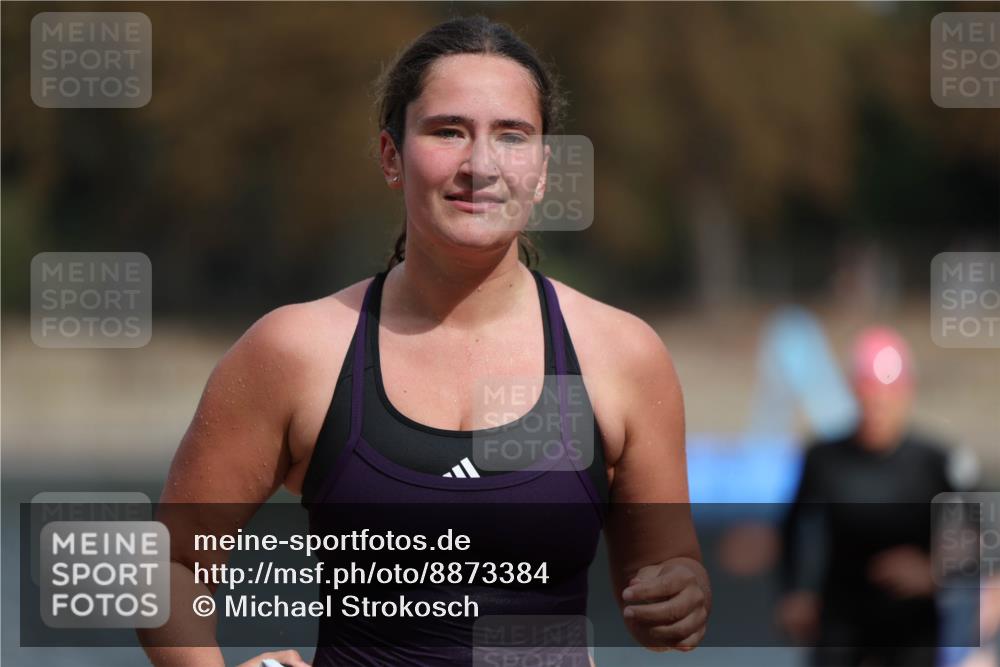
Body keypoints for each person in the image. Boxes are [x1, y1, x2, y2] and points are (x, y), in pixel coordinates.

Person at [140, 15, 709, 667]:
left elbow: (667, 576)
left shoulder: (623, 357)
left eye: (511, 136)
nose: (481, 165)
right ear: (391, 155)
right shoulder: (296, 351)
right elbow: (170, 564)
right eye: (448, 131)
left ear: (544, 169)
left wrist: (682, 597)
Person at [777, 325, 958, 667]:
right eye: (869, 397)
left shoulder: (934, 462)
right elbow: (793, 525)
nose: (878, 410)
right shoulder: (824, 458)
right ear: (853, 392)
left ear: (907, 394)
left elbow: (980, 539)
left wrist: (933, 572)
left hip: (910, 624)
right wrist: (795, 593)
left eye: (887, 400)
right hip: (840, 616)